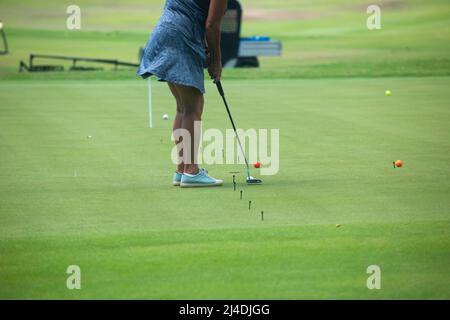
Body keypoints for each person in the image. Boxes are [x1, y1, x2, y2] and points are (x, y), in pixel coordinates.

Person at [137, 0, 227, 188]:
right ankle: (191, 171)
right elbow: (212, 25)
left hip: (165, 33)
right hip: (181, 38)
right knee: (194, 107)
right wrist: (216, 61)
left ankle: (182, 169)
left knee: (183, 107)